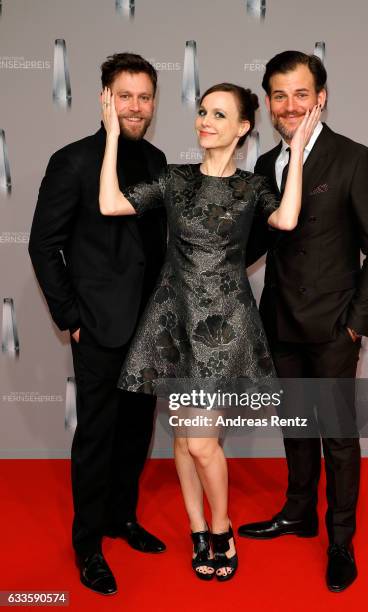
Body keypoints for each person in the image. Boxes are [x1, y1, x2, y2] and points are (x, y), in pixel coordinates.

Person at [99, 81, 321, 581]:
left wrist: (298, 153)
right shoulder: (173, 179)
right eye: (202, 112)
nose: (206, 121)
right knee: (184, 438)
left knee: (201, 441)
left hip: (224, 326)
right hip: (173, 319)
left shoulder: (253, 186)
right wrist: (113, 134)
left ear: (243, 128)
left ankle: (222, 531)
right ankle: (199, 529)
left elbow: (286, 219)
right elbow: (111, 204)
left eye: (220, 115)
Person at [239, 50, 368, 592]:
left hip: (332, 326)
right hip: (279, 320)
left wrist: (357, 324)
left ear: (320, 97)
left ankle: (340, 540)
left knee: (337, 435)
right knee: (296, 428)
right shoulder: (264, 166)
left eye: (300, 93)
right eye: (278, 95)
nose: (289, 105)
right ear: (267, 103)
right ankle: (298, 512)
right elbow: (256, 244)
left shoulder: (355, 160)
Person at [28, 53, 168, 596]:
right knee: (97, 438)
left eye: (144, 96)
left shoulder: (157, 161)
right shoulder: (73, 162)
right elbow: (44, 246)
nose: (136, 106)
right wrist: (71, 318)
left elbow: (157, 248)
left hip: (147, 328)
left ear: (155, 102)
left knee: (136, 432)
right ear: (105, 98)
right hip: (99, 326)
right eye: (125, 95)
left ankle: (121, 519)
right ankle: (87, 545)